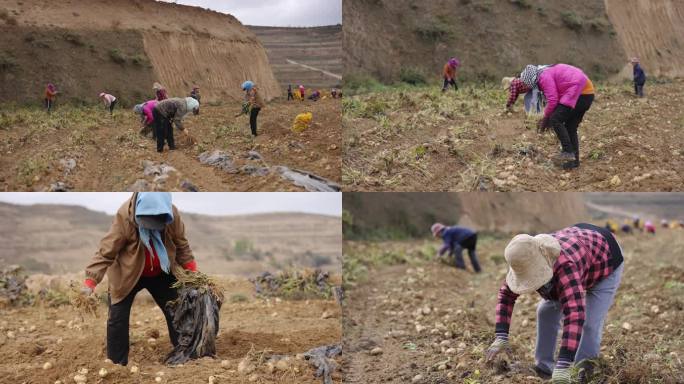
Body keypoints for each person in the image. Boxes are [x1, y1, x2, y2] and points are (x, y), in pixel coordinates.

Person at [486, 223, 624, 383]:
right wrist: (501, 335)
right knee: (545, 312)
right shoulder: (522, 257)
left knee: (590, 324)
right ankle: (544, 367)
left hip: (604, 259)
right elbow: (506, 295)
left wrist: (564, 364)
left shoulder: (566, 266)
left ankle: (582, 373)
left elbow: (574, 313)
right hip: (581, 248)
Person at [81, 192, 198, 366]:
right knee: (117, 318)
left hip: (161, 272)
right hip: (127, 274)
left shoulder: (171, 215)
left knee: (177, 310)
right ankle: (116, 365)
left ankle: (186, 355)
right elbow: (106, 252)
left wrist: (194, 274)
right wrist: (90, 283)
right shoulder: (124, 218)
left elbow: (182, 245)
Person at [521, 63, 595, 170]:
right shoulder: (546, 72)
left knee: (555, 119)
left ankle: (567, 151)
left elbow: (553, 100)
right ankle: (574, 161)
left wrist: (545, 118)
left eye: (527, 85)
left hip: (580, 92)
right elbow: (558, 97)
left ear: (531, 80)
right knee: (570, 127)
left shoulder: (543, 77)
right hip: (587, 93)